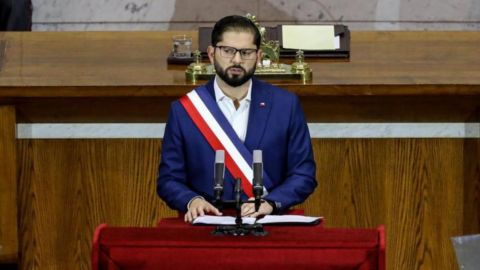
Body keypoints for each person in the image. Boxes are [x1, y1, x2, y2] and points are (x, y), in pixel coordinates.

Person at [157, 15, 316, 223]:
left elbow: (304, 174)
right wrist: (192, 200)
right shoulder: (184, 110)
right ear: (212, 54)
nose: (237, 60)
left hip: (268, 224)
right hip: (207, 225)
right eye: (228, 51)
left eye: (246, 52)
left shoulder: (285, 105)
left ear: (259, 56)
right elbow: (169, 180)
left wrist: (272, 202)